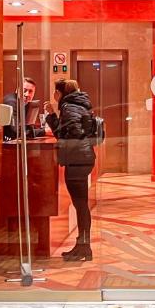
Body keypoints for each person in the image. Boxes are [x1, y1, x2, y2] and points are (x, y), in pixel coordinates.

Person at [44, 78, 96, 262]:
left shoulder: (69, 107)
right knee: (81, 204)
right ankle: (82, 245)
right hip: (83, 159)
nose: (53, 95)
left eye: (55, 92)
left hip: (77, 160)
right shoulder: (78, 104)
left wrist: (51, 116)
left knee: (80, 205)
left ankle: (84, 247)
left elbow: (69, 133)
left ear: (59, 93)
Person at [2, 77, 37, 141]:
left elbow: (28, 128)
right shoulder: (11, 102)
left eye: (30, 91)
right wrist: (44, 131)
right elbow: (16, 132)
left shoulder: (24, 103)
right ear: (17, 89)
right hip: (6, 144)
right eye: (24, 90)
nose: (27, 94)